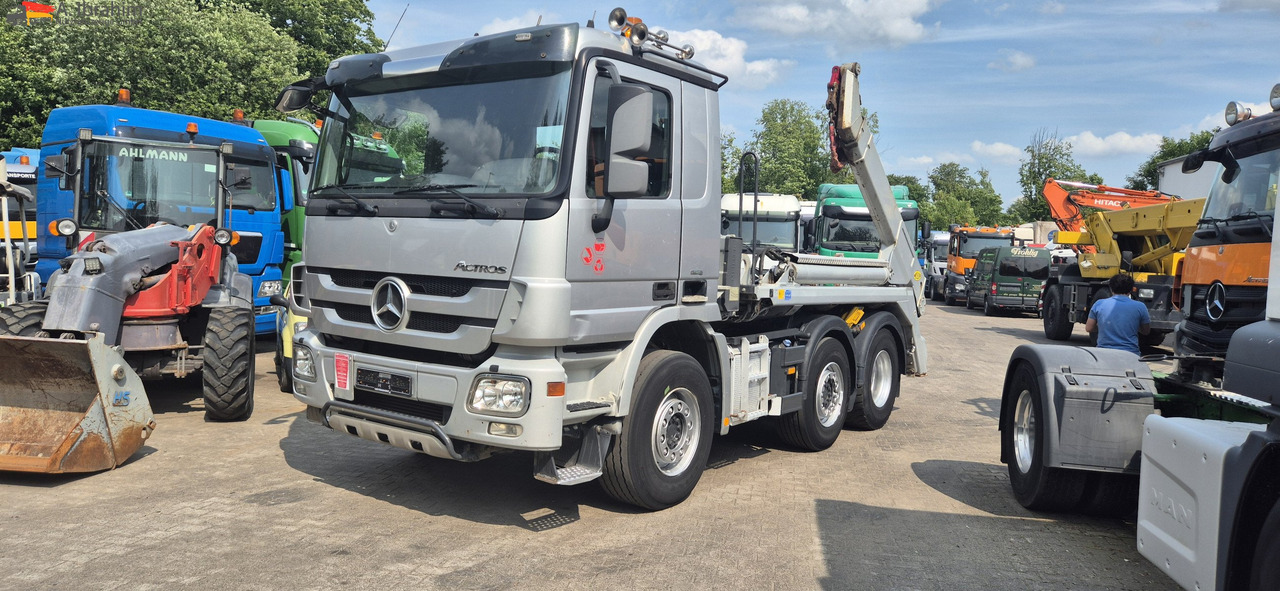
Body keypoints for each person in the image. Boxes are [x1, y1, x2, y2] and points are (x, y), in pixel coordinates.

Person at [1085, 273, 1151, 355]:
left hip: (1104, 353)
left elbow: (1089, 328)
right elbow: (1146, 331)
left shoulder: (1099, 304)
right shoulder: (1140, 307)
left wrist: (1104, 327)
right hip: (1130, 354)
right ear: (1130, 290)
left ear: (1111, 288)